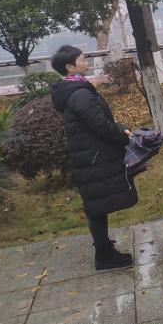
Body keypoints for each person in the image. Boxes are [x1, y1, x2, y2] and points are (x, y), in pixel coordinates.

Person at [49, 45, 136, 271]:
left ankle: (104, 249)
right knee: (97, 206)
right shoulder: (78, 93)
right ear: (70, 66)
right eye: (82, 59)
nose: (86, 62)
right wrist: (123, 138)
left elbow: (100, 120)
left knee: (97, 204)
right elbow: (100, 125)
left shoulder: (75, 89)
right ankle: (104, 255)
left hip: (91, 154)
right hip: (93, 156)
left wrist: (120, 127)